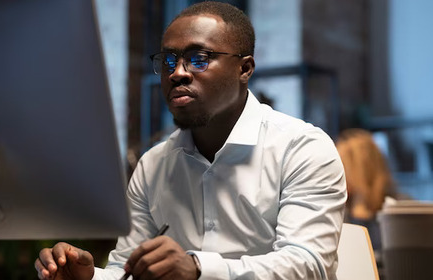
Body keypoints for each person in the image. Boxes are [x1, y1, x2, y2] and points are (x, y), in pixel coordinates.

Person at [35, 2, 347, 279]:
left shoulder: (302, 148)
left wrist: (198, 269)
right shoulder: (153, 165)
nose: (177, 73)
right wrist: (89, 278)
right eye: (169, 61)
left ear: (245, 68)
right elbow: (127, 270)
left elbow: (309, 265)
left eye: (199, 59)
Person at [335, 128, 398, 252]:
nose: (336, 175)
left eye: (344, 167)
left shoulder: (397, 209)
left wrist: (361, 201)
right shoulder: (338, 209)